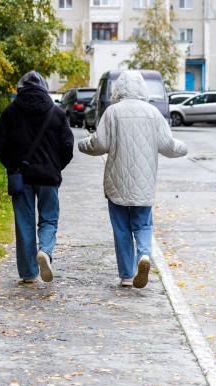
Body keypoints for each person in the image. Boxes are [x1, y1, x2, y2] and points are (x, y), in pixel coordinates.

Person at [78, 70, 187, 288]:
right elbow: (167, 145)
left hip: (116, 180)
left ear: (117, 90)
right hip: (144, 182)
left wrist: (82, 144)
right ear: (142, 88)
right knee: (143, 224)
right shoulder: (153, 113)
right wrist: (182, 147)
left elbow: (99, 144)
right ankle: (144, 256)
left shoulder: (112, 112)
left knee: (121, 228)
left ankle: (127, 275)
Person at [0, 71, 74, 284]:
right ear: (44, 88)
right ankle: (45, 252)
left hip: (21, 177)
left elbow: (0, 145)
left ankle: (29, 274)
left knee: (24, 223)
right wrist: (56, 168)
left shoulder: (10, 112)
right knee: (49, 219)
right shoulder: (56, 112)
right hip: (48, 177)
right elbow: (67, 147)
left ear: (20, 88)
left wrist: (13, 167)